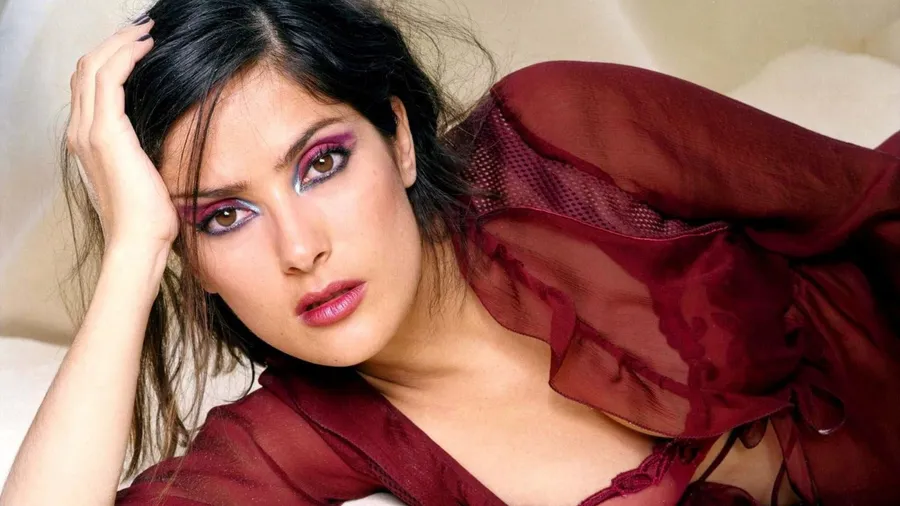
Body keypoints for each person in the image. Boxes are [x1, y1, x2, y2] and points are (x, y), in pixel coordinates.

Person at [2, 0, 899, 505]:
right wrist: (133, 253)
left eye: (321, 164)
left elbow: (869, 201)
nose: (301, 250)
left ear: (397, 137)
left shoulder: (564, 138)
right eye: (222, 217)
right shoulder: (298, 433)